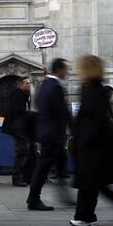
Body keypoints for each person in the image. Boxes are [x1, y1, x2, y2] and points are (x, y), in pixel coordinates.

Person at [71, 55, 113, 226]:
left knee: (88, 183)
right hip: (95, 145)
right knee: (92, 182)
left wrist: (82, 140)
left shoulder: (92, 90)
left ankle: (84, 216)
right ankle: (88, 215)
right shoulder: (94, 88)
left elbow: (93, 121)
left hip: (92, 146)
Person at [26, 58, 72, 211]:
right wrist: (75, 128)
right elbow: (62, 111)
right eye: (66, 69)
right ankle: (33, 199)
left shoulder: (44, 85)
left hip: (47, 132)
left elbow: (39, 106)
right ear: (59, 69)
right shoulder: (55, 87)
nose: (67, 72)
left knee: (61, 162)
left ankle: (64, 194)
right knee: (43, 168)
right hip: (52, 134)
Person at [1, 77, 36, 187]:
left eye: (29, 83)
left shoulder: (23, 95)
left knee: (26, 151)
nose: (29, 85)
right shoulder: (18, 95)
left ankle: (25, 176)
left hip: (20, 128)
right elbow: (18, 112)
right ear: (20, 84)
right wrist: (31, 115)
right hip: (18, 128)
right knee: (22, 152)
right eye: (26, 83)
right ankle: (17, 178)